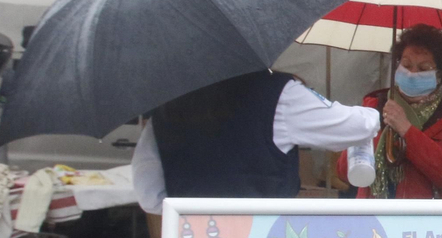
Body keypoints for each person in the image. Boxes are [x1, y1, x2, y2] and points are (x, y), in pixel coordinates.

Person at [134, 70, 378, 212]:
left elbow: (149, 196)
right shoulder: (276, 92)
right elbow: (357, 127)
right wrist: (372, 110)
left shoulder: (169, 103)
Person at [344, 24, 442, 199]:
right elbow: (343, 171)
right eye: (406, 65)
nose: (412, 73)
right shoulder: (374, 106)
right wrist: (360, 134)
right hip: (373, 213)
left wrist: (406, 129)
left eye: (423, 68)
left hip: (422, 214)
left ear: (440, 75)